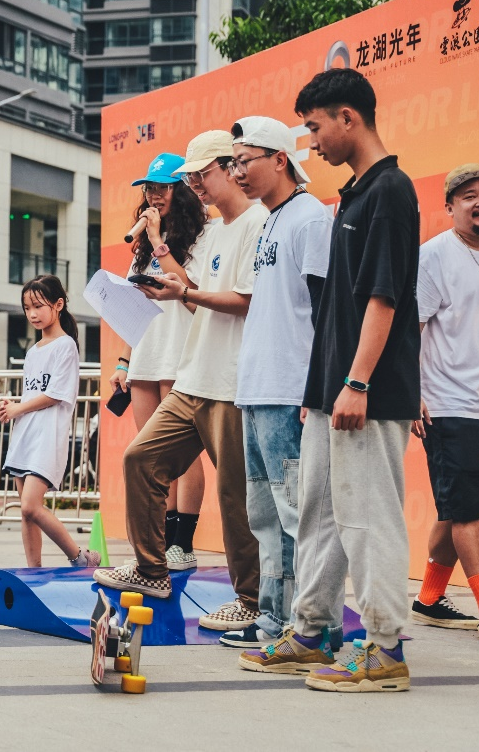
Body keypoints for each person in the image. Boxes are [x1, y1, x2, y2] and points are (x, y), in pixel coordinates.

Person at [246, 68, 420, 692]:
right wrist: (317, 391)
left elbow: (384, 298)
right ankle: (313, 630)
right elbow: (337, 311)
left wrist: (359, 383)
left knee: (367, 516)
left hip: (367, 393)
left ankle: (385, 647)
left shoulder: (390, 191)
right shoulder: (352, 195)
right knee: (319, 513)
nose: (312, 142)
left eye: (316, 127)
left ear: (349, 118)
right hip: (330, 392)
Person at [95, 129, 265, 634]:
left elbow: (238, 301)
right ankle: (152, 570)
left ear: (229, 169)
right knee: (141, 459)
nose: (195, 184)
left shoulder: (255, 223)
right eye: (189, 177)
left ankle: (252, 599)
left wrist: (180, 290)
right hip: (194, 375)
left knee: (235, 494)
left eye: (199, 175)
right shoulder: (214, 232)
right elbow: (190, 293)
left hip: (230, 381)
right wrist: (171, 282)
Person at [218, 116, 333, 650]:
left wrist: (318, 390)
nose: (237, 172)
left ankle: (310, 625)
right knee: (265, 515)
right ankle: (272, 619)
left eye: (244, 161)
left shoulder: (310, 219)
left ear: (280, 159)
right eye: (233, 163)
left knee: (296, 514)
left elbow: (328, 312)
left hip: (290, 393)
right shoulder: (270, 221)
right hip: (258, 391)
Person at [409, 163, 479, 641]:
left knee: (458, 507)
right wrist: (412, 393)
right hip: (447, 404)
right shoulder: (433, 257)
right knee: (468, 510)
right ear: (450, 207)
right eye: (468, 196)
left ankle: (429, 599)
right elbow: (408, 329)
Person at [106, 151, 210, 571]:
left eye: (163, 187)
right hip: (146, 353)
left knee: (183, 453)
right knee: (151, 454)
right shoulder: (144, 246)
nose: (154, 195)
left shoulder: (201, 235)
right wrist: (123, 362)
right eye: (149, 188)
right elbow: (135, 308)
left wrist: (158, 242)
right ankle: (161, 543)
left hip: (180, 351)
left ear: (180, 190)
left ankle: (183, 543)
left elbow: (191, 290)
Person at [0, 275, 99, 569]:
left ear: (58, 305)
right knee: (25, 512)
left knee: (31, 506)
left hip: (47, 437)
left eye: (38, 306)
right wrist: (11, 408)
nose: (32, 314)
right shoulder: (33, 351)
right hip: (25, 436)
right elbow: (32, 394)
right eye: (27, 308)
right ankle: (34, 571)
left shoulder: (66, 346)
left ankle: (80, 557)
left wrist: (18, 408)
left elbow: (55, 394)